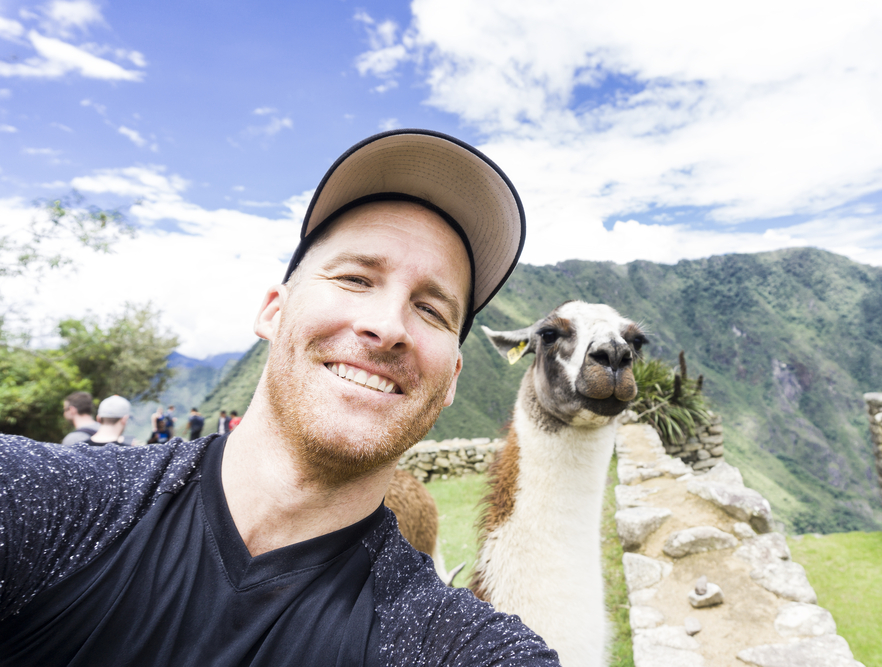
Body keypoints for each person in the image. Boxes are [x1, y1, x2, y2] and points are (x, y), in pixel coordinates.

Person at [0, 129, 556, 666]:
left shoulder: (451, 643)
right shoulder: (52, 507)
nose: (388, 327)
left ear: (454, 375)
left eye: (432, 310)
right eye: (356, 279)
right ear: (274, 309)